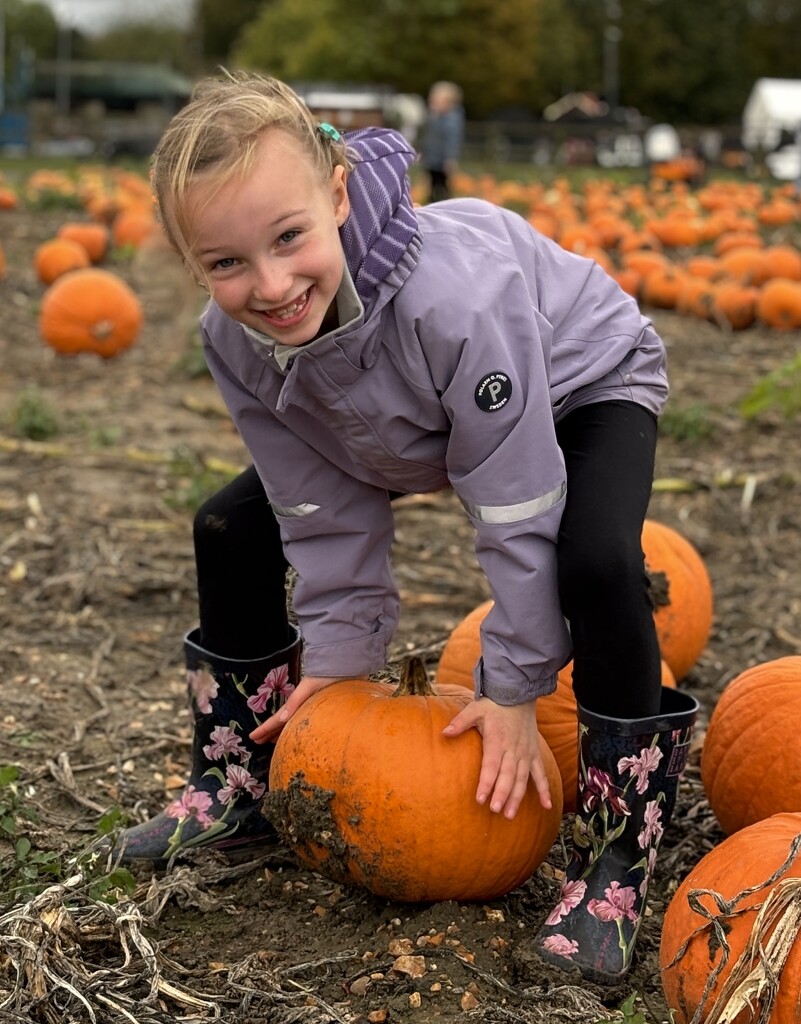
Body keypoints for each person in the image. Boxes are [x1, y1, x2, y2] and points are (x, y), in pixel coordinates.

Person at [112, 70, 698, 984]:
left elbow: (514, 503)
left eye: (289, 238)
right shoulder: (234, 339)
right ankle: (236, 783)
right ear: (194, 264)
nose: (269, 285)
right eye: (225, 264)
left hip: (577, 384)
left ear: (336, 196)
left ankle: (617, 859)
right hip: (390, 421)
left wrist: (511, 688)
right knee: (231, 525)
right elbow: (315, 502)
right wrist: (341, 671)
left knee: (594, 562)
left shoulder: (453, 301)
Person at [418, 80, 465, 202]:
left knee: (443, 185)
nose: (432, 103)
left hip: (442, 159)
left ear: (449, 103)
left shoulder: (451, 120)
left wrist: (450, 158)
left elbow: (452, 140)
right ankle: (432, 201)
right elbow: (428, 138)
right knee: (432, 183)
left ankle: (443, 202)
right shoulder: (434, 117)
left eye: (436, 101)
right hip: (432, 158)